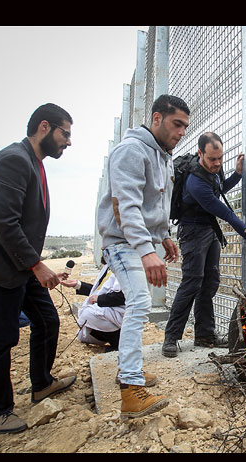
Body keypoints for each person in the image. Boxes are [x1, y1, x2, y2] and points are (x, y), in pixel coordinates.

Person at [0, 103, 76, 434]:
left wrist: (35, 266)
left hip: (18, 266)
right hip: (0, 268)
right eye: (64, 133)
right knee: (1, 338)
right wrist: (37, 265)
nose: (68, 142)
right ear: (44, 127)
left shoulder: (32, 162)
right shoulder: (14, 159)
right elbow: (4, 222)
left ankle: (41, 384)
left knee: (47, 320)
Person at [97, 94, 189, 420]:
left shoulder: (163, 156)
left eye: (185, 126)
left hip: (138, 242)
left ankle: (129, 370)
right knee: (138, 303)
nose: (181, 132)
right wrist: (147, 250)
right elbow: (126, 205)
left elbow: (154, 205)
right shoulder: (132, 151)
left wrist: (162, 236)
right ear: (156, 118)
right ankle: (131, 391)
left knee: (139, 303)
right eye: (176, 124)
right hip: (123, 242)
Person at [162, 132, 246, 358]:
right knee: (192, 283)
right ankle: (171, 337)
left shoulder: (214, 170)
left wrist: (237, 174)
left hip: (209, 230)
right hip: (192, 232)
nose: (217, 164)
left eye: (220, 158)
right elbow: (225, 212)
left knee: (210, 282)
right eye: (212, 159)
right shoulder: (195, 182)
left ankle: (205, 335)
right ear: (200, 153)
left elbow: (220, 189)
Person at [61, 259, 125, 351]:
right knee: (81, 336)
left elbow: (123, 296)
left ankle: (118, 343)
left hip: (121, 312)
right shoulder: (108, 268)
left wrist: (99, 299)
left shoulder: (124, 268)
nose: (102, 249)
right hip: (109, 310)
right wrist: (78, 285)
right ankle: (108, 337)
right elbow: (99, 291)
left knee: (88, 315)